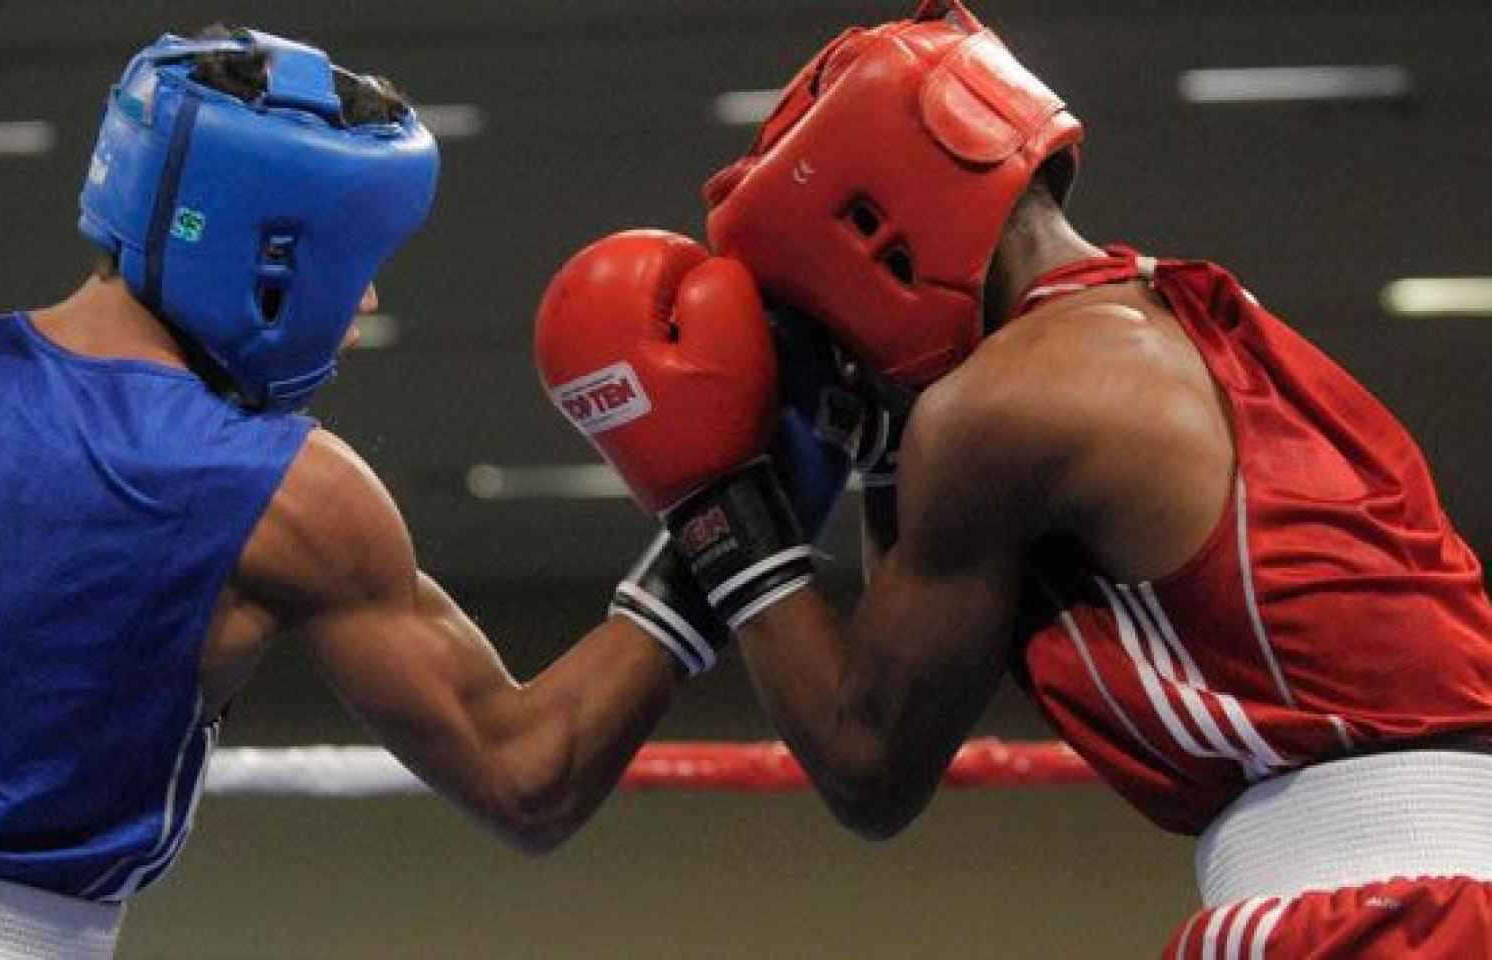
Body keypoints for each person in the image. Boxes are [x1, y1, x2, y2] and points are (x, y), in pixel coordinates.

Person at [535, 1, 1492, 955]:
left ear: (872, 234)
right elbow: (914, 649)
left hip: (1385, 914)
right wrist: (882, 443)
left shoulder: (1012, 404)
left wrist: (713, 498)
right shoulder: (1172, 320)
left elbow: (868, 762)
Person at [0, 27, 681, 959]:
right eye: (354, 260)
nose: (366, 301)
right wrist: (720, 534)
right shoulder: (285, 488)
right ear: (272, 258)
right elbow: (529, 777)